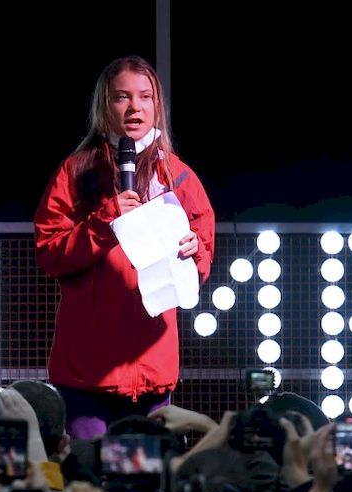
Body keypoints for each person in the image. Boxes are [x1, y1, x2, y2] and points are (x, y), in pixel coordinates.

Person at [33, 55, 216, 440]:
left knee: (146, 489)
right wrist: (105, 223)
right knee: (92, 485)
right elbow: (50, 252)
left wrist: (193, 252)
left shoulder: (179, 177)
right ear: (105, 105)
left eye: (145, 96)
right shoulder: (76, 172)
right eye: (122, 97)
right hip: (87, 376)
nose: (135, 107)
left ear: (156, 105)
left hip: (152, 374)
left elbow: (202, 257)